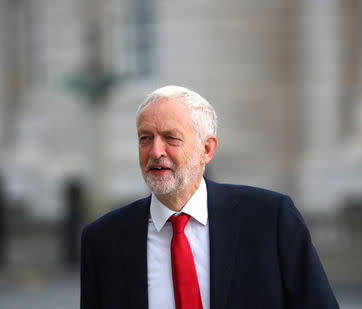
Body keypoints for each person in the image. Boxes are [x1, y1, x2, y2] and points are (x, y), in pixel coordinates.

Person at [80, 85, 339, 309]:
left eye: (171, 138)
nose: (155, 151)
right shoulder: (103, 240)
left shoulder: (270, 219)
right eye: (145, 138)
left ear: (206, 149)